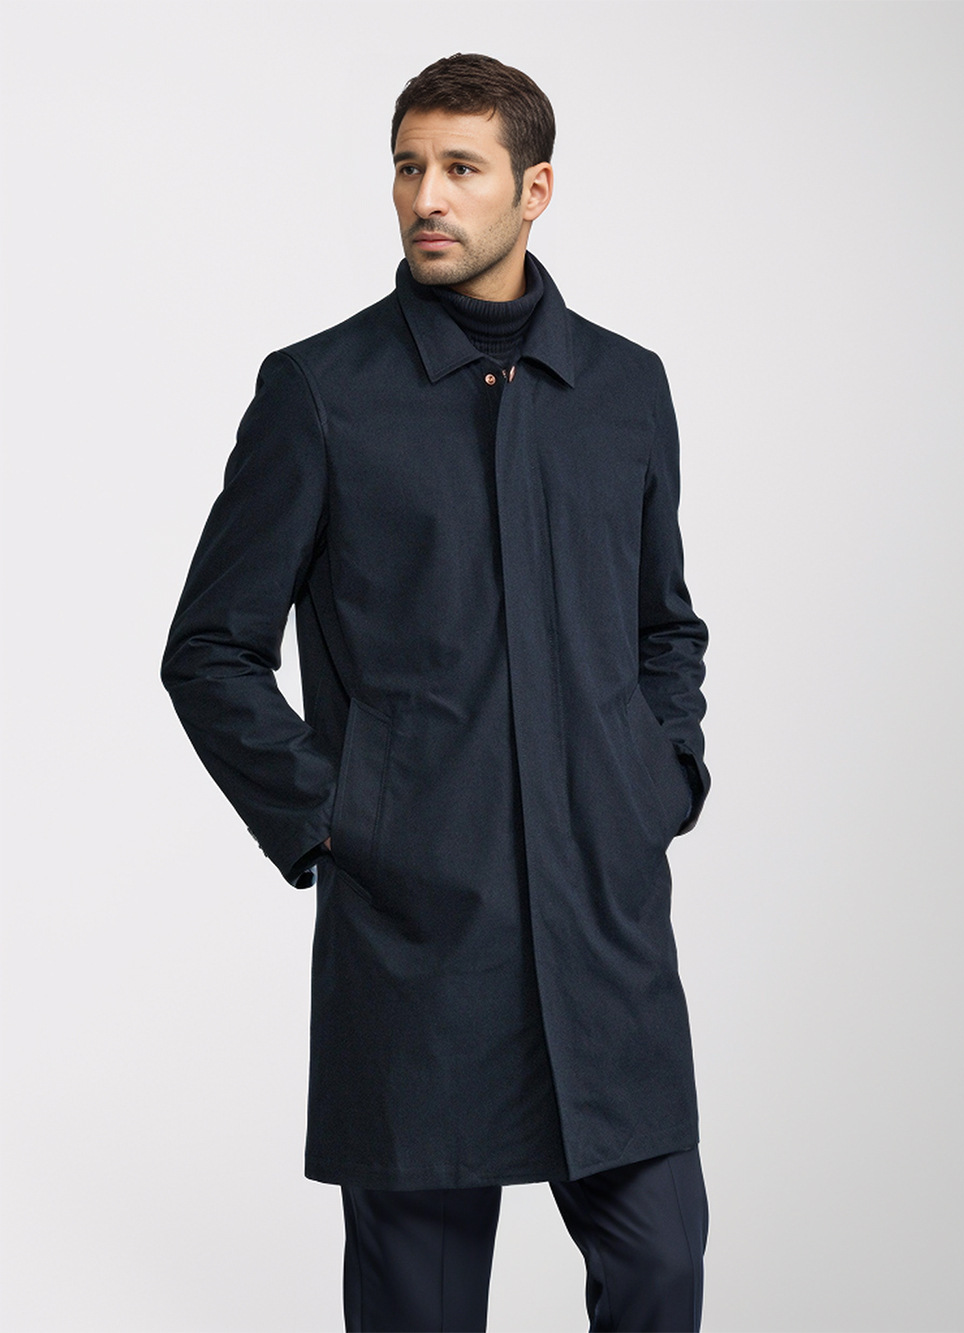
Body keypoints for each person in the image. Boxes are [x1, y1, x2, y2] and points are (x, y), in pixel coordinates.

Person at [162, 52, 710, 1333]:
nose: (427, 197)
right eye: (409, 167)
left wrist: (656, 775)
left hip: (601, 922)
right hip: (419, 935)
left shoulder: (623, 389)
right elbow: (210, 648)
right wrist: (342, 816)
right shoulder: (321, 391)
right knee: (422, 1303)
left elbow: (664, 624)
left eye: (461, 168)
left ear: (535, 189)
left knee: (659, 1259)